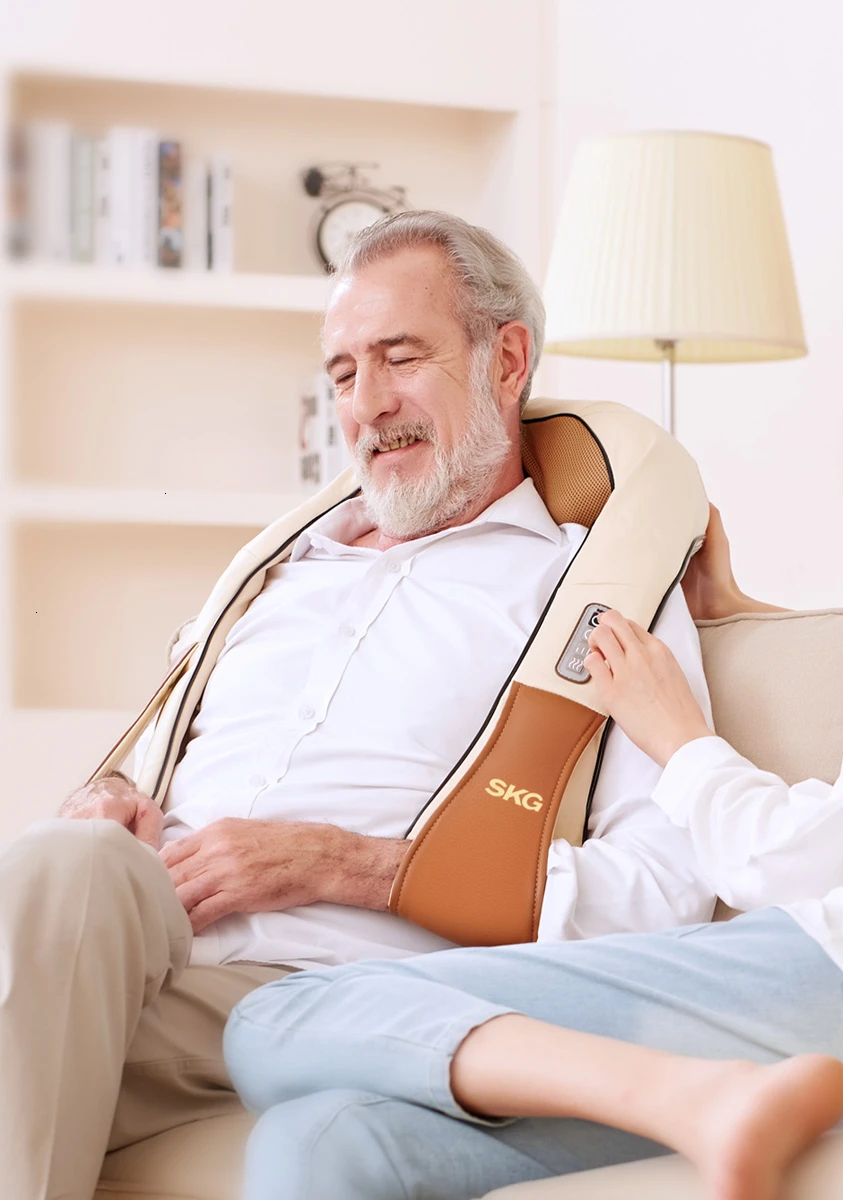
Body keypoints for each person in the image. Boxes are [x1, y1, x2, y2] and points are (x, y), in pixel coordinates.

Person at [225, 180, 843, 1200]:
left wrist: (677, 737)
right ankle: (696, 1100)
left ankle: (698, 1096)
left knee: (281, 1019)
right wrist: (743, 613)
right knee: (332, 1143)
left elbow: (808, 856)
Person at [0, 211, 718, 1200]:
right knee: (65, 858)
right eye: (342, 374)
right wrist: (110, 803)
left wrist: (346, 863)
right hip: (131, 951)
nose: (367, 405)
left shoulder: (595, 595)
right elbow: (129, 804)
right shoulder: (275, 575)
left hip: (324, 994)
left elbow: (664, 890)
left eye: (400, 358)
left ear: (507, 360)